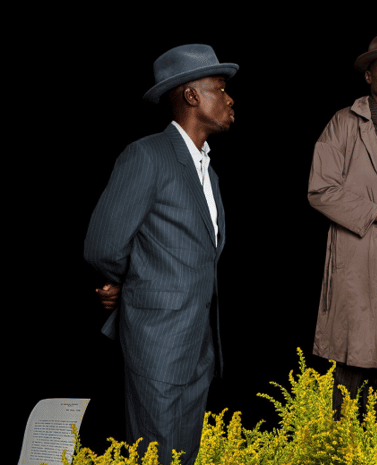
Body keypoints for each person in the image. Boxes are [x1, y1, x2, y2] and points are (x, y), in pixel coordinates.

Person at [84, 44, 237, 465]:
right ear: (191, 96)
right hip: (158, 341)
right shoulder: (146, 155)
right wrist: (129, 282)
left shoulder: (209, 171)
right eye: (220, 89)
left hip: (198, 344)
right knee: (157, 456)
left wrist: (126, 282)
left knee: (184, 455)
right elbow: (102, 244)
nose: (229, 99)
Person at [307, 33, 377, 427]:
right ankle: (342, 443)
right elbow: (320, 190)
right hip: (358, 257)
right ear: (369, 76)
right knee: (354, 359)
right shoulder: (344, 123)